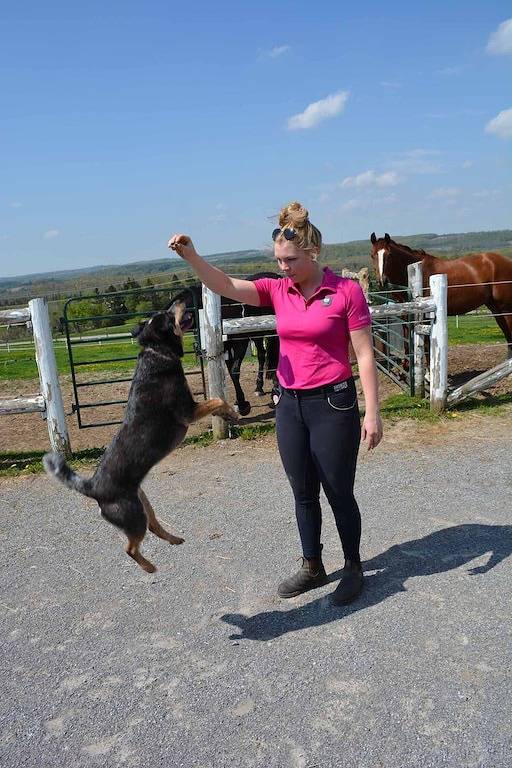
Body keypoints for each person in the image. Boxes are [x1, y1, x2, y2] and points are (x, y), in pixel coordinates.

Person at [168, 202, 383, 605]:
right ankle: (313, 566)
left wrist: (372, 412)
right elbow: (226, 286)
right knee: (302, 492)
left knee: (338, 491)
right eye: (278, 260)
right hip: (289, 406)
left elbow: (365, 356)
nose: (283, 267)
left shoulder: (345, 292)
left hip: (333, 405)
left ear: (313, 253)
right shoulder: (278, 289)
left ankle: (353, 566)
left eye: (290, 260)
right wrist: (193, 256)